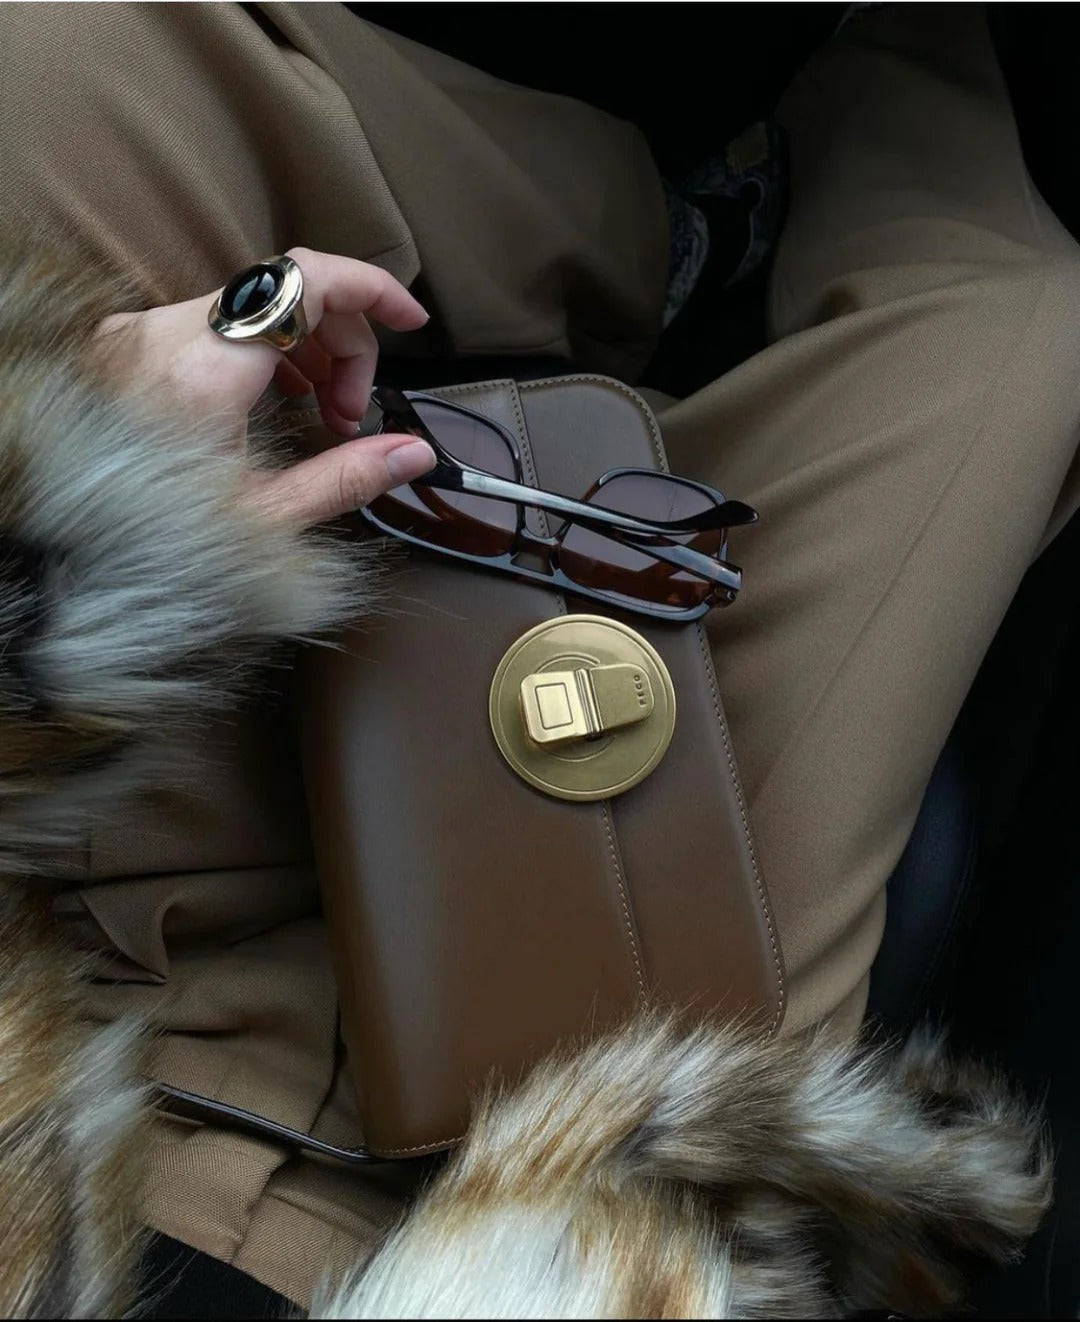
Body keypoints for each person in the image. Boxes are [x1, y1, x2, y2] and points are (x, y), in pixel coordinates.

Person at [2, 1, 1078, 1309]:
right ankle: (892, 69)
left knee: (51, 65)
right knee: (1006, 336)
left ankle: (634, 235)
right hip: (529, 1139)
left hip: (85, 896)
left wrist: (50, 541)